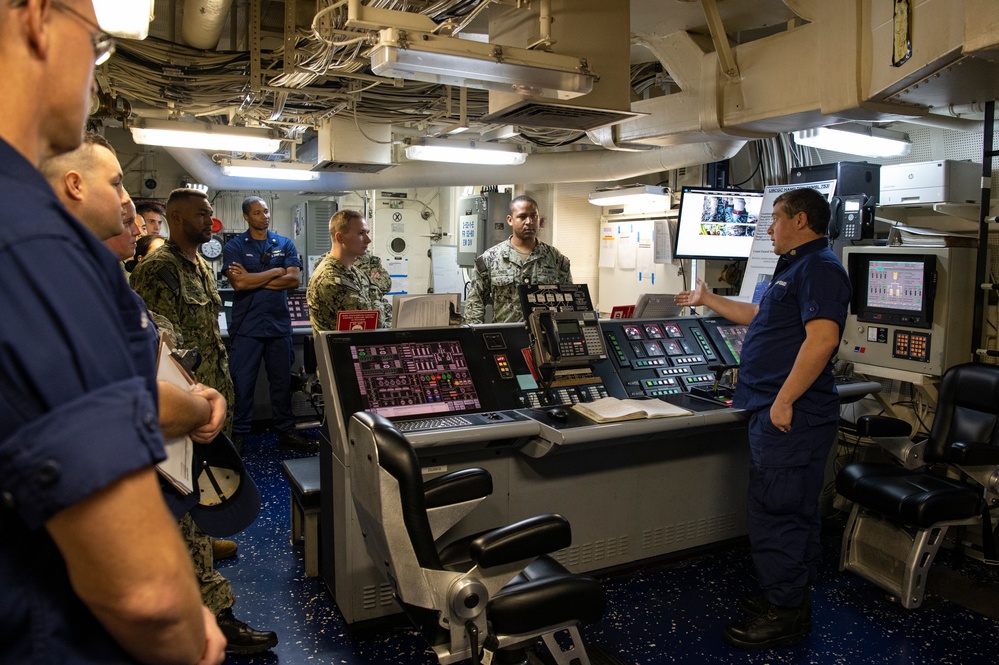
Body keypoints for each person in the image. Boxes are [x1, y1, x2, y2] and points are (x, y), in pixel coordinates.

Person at [0, 2, 225, 663]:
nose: (95, 77)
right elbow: (146, 594)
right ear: (38, 18)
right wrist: (193, 639)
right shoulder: (32, 243)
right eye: (94, 45)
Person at [673, 188, 850, 649]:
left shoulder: (821, 269)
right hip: (774, 408)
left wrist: (784, 400)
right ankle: (787, 596)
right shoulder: (794, 268)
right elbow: (758, 316)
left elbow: (822, 340)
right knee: (787, 508)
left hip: (792, 416)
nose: (769, 228)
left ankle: (786, 613)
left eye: (775, 218)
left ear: (801, 220)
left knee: (779, 511)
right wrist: (707, 299)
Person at [130, 188, 278, 654]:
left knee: (209, 490)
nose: (210, 219)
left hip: (212, 402)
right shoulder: (159, 269)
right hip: (184, 412)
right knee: (186, 496)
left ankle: (202, 542)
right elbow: (161, 355)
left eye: (212, 213)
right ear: (174, 218)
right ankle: (213, 611)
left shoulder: (196, 264)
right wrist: (188, 406)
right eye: (201, 213)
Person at [222, 196, 314, 452]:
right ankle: (238, 435)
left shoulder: (284, 243)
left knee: (282, 383)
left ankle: (286, 432)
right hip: (247, 328)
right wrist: (275, 272)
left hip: (278, 327)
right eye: (257, 212)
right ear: (246, 217)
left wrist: (254, 278)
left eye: (265, 211)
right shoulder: (235, 247)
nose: (264, 216)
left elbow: (293, 280)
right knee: (242, 384)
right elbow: (238, 284)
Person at [463, 195, 572, 324]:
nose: (529, 222)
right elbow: (475, 304)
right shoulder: (490, 259)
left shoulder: (555, 259)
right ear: (510, 220)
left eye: (533, 216)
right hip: (506, 338)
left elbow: (569, 303)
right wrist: (477, 338)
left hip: (544, 339)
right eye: (522, 217)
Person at [307, 209, 386, 331]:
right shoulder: (330, 279)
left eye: (367, 233)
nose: (368, 240)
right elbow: (373, 324)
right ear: (340, 237)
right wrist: (376, 301)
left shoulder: (355, 272)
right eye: (361, 233)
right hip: (340, 349)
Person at [354, 249, 393, 327]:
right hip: (359, 316)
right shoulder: (342, 264)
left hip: (378, 314)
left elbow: (386, 286)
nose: (368, 240)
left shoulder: (372, 261)